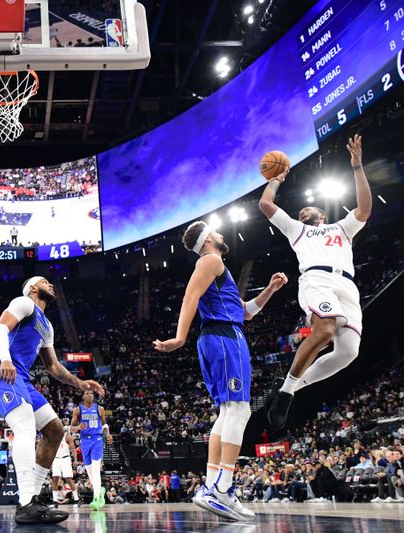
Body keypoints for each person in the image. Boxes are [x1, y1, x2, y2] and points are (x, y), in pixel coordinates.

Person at [154, 223, 287, 521]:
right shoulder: (210, 261)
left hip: (220, 337)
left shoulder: (218, 272)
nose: (224, 235)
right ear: (209, 239)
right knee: (239, 411)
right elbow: (190, 297)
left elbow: (247, 311)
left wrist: (270, 289)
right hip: (225, 339)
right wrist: (179, 337)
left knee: (227, 412)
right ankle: (223, 488)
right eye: (218, 231)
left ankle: (213, 485)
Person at [259, 134, 371, 430]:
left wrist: (357, 167)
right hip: (317, 280)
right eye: (299, 212)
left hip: (347, 287)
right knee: (324, 330)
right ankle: (285, 395)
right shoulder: (297, 231)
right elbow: (266, 205)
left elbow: (364, 209)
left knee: (349, 352)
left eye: (307, 210)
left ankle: (289, 387)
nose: (301, 212)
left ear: (321, 214)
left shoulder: (341, 228)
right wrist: (276, 179)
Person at [0, 276, 105, 524]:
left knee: (55, 430)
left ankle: (33, 499)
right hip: (1, 369)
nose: (50, 285)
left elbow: (53, 367)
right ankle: (25, 501)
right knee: (25, 424)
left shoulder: (46, 325)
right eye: (45, 281)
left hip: (23, 379)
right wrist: (5, 358)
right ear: (33, 288)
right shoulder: (24, 303)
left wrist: (80, 383)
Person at [70, 391, 113, 510]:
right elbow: (71, 428)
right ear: (83, 396)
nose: (89, 394)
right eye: (87, 393)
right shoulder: (77, 410)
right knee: (89, 471)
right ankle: (100, 490)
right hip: (84, 441)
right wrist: (78, 427)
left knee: (95, 468)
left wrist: (108, 434)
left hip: (97, 439)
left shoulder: (100, 408)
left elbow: (104, 425)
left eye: (91, 393)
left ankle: (96, 498)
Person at [50, 429, 79, 505]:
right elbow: (50, 449)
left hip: (65, 458)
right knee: (55, 478)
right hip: (56, 458)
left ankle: (76, 499)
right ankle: (55, 500)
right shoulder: (53, 437)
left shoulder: (67, 436)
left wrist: (75, 460)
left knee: (68, 478)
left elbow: (73, 449)